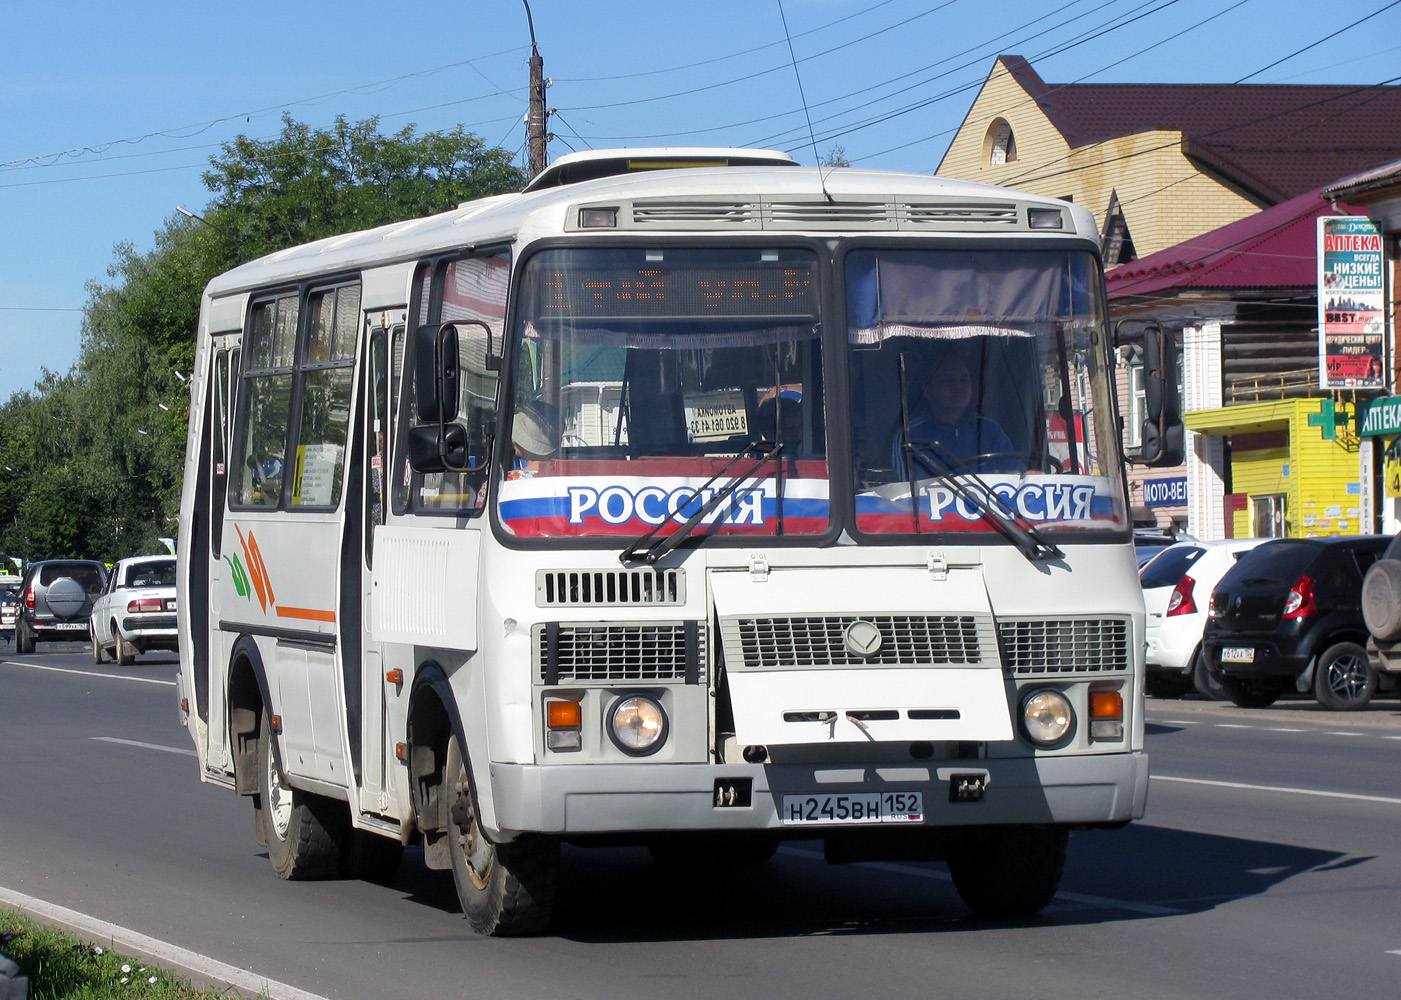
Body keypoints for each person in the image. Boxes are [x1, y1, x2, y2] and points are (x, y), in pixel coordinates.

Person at [891, 355, 1016, 477]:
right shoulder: (909, 436)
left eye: (964, 380)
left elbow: (1018, 478)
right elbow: (904, 494)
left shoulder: (990, 430)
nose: (959, 387)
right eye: (948, 381)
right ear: (928, 391)